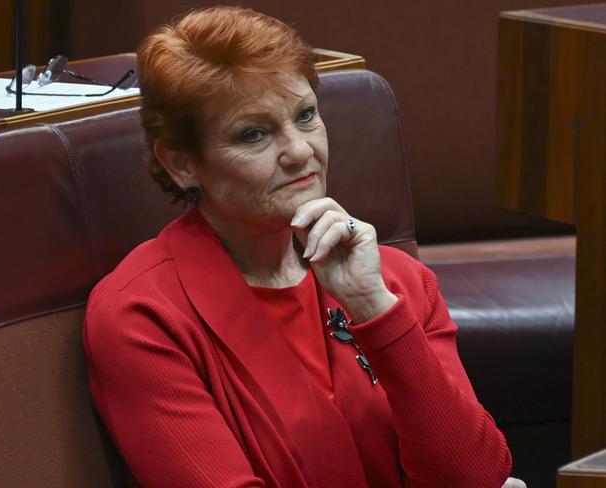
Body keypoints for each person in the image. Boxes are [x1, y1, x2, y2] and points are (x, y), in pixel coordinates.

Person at [83, 6, 521, 487]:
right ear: (183, 164)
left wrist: (374, 308)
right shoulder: (142, 315)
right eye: (254, 134)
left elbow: (475, 477)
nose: (298, 150)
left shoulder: (397, 281)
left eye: (305, 115)